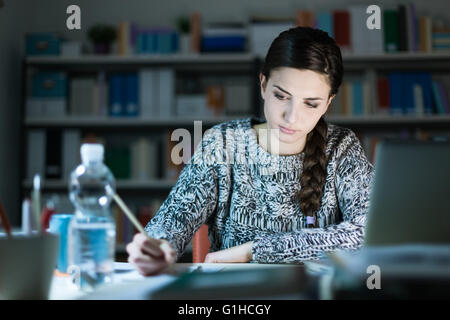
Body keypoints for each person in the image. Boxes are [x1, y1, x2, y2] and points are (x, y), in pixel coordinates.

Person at [126, 26, 375, 276]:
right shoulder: (222, 143)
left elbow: (369, 232)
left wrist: (254, 250)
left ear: (328, 103)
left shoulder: (342, 147)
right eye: (281, 96)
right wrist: (156, 245)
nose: (291, 117)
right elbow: (173, 221)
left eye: (311, 104)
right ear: (263, 85)